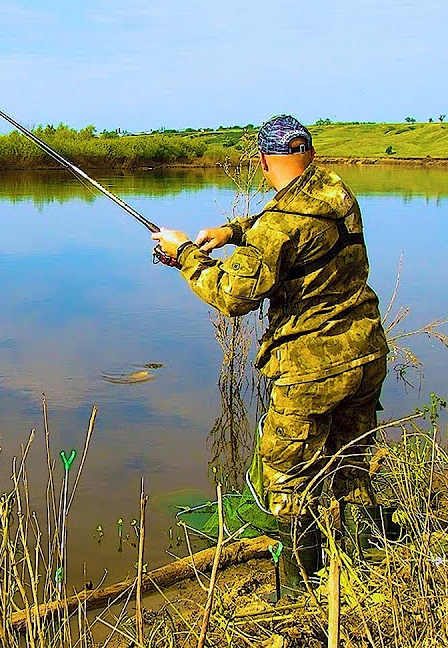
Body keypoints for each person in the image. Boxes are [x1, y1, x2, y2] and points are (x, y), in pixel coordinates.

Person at [151, 115, 388, 592]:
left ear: (262, 161)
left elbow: (233, 297)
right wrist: (231, 231)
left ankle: (299, 591)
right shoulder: (337, 194)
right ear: (310, 153)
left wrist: (183, 256)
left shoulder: (279, 225)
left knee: (285, 480)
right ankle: (369, 563)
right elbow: (287, 223)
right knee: (349, 461)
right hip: (365, 353)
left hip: (313, 367)